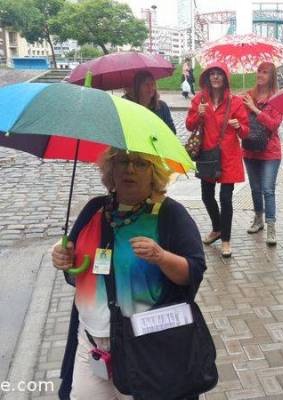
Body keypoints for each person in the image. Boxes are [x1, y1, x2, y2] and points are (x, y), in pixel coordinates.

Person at [53, 148, 206, 399]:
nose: (130, 169)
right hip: (91, 342)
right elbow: (74, 267)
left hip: (146, 349)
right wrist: (64, 259)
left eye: (141, 164)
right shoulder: (94, 210)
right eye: (122, 162)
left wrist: (161, 256)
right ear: (110, 170)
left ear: (154, 173)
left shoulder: (170, 214)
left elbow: (193, 273)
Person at [185, 62, 249, 258]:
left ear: (225, 78)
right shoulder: (200, 99)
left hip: (229, 156)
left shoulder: (235, 102)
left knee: (226, 199)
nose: (215, 77)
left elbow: (245, 132)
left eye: (219, 74)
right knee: (206, 196)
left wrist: (239, 126)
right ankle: (217, 227)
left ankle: (226, 240)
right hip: (207, 155)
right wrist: (198, 114)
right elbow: (189, 125)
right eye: (212, 74)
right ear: (207, 78)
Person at [242, 62, 283, 245]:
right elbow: (241, 119)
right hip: (250, 149)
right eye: (259, 71)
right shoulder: (249, 95)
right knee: (255, 188)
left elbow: (274, 125)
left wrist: (255, 109)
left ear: (271, 76)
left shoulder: (277, 98)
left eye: (265, 72)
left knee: (268, 189)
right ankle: (258, 219)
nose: (260, 75)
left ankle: (271, 226)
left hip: (270, 151)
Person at [130, 70, 177, 134]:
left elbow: (172, 131)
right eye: (146, 85)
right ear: (138, 87)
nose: (150, 88)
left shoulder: (162, 106)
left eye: (152, 84)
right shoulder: (131, 107)